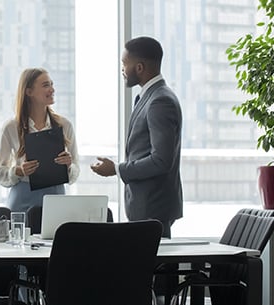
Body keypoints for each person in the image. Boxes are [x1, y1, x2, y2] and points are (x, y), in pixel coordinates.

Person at [90, 36, 182, 304]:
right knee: (144, 280)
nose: (122, 68)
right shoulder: (151, 97)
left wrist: (117, 170)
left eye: (124, 63)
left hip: (154, 207)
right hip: (147, 205)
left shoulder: (159, 101)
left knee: (152, 281)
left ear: (139, 67)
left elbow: (161, 160)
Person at [0, 68, 79, 213]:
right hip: (22, 200)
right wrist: (19, 171)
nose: (52, 89)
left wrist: (68, 166)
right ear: (29, 91)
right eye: (46, 85)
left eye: (52, 84)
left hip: (55, 199)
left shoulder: (65, 125)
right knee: (20, 236)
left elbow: (76, 171)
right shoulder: (11, 127)